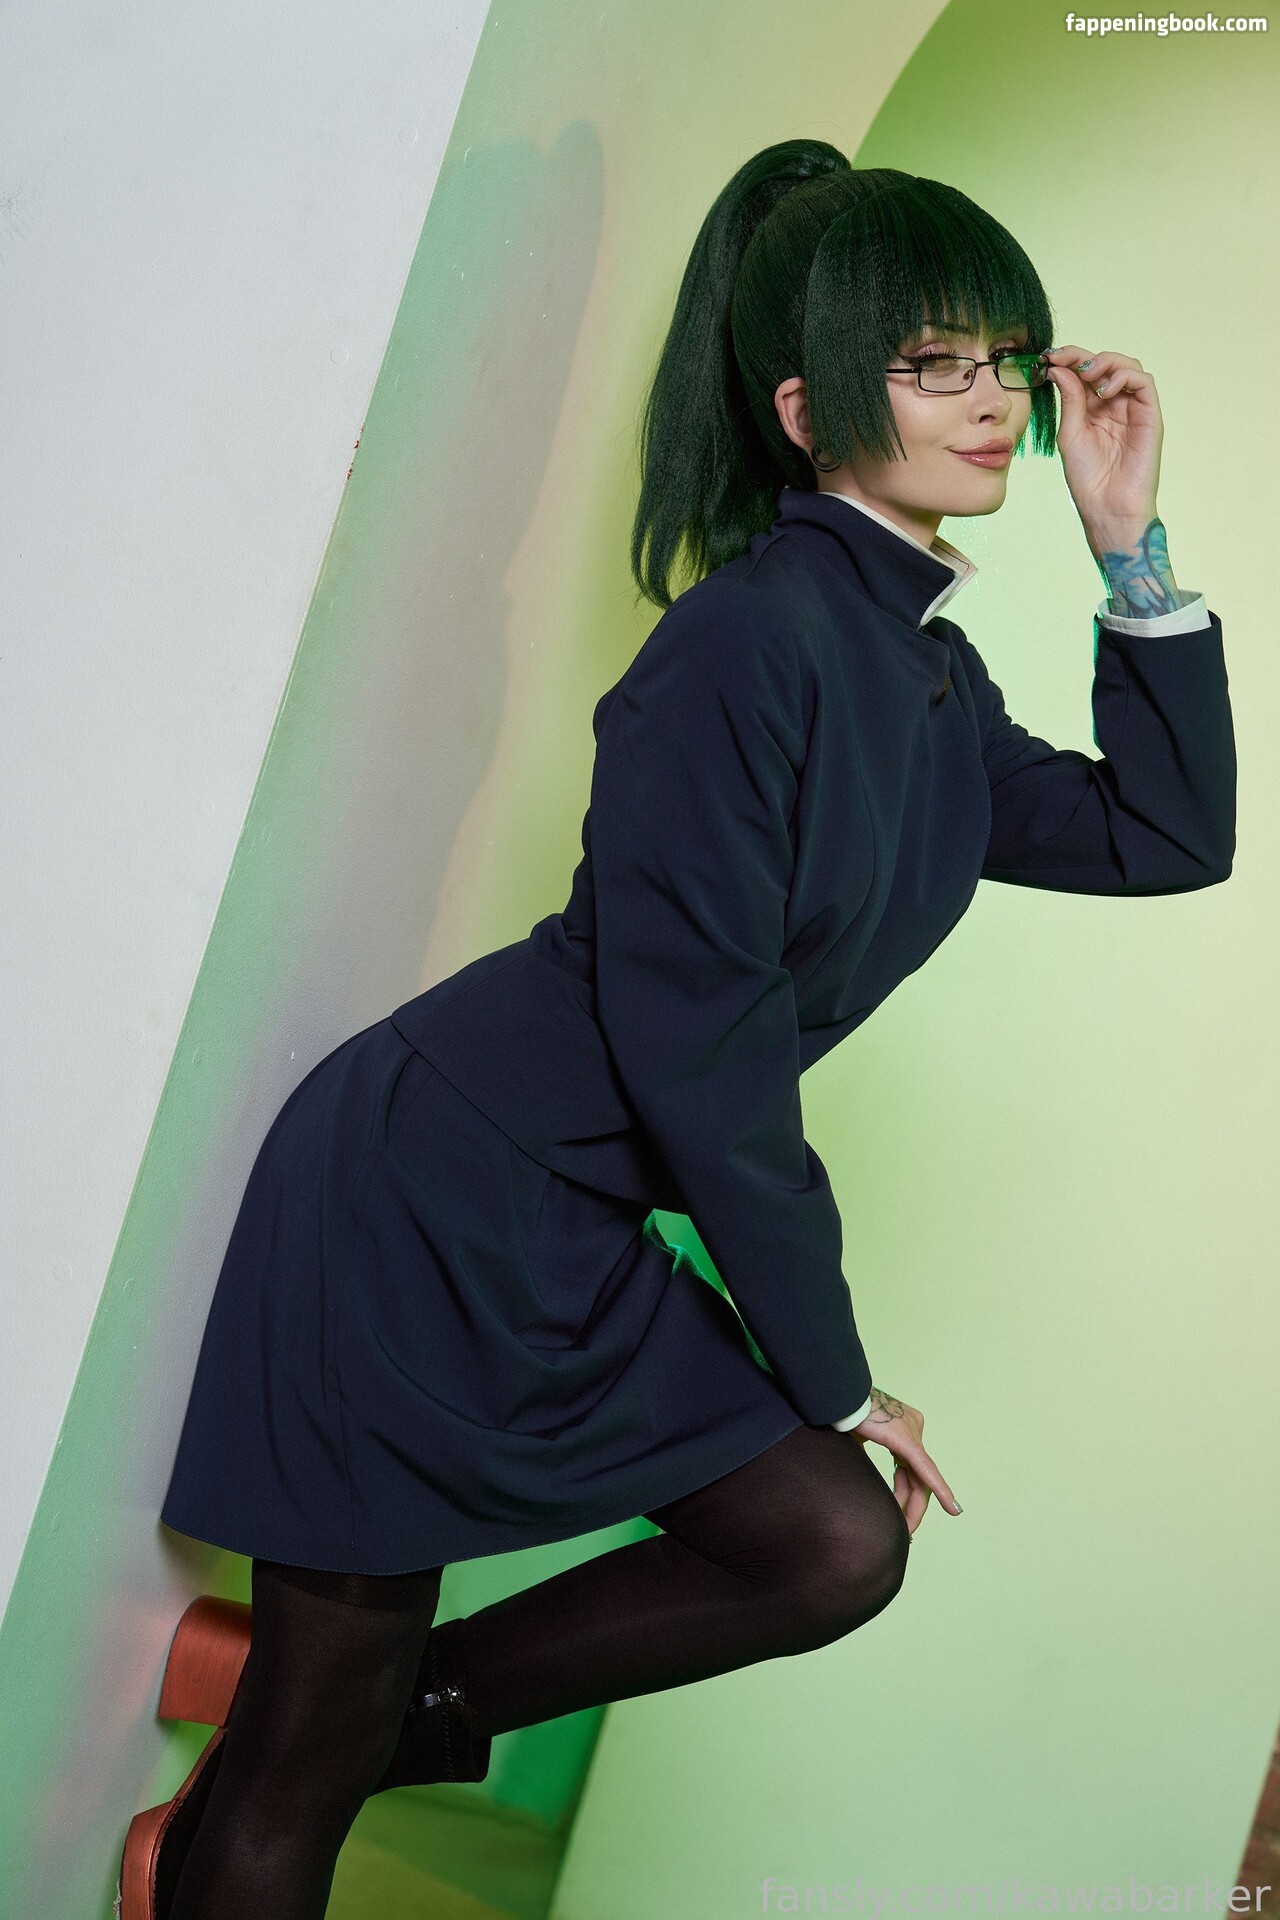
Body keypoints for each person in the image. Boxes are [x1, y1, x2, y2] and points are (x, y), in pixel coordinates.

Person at [121, 138, 1235, 1919]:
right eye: (933, 362)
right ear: (807, 410)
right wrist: (834, 1372)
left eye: (1007, 362)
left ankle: (326, 1722)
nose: (993, 400)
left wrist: (1131, 546)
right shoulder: (744, 644)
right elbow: (704, 1058)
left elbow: (1165, 837)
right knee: (298, 1785)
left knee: (830, 1544)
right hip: (427, 1202)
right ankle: (271, 1769)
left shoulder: (930, 680)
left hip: (572, 1218)